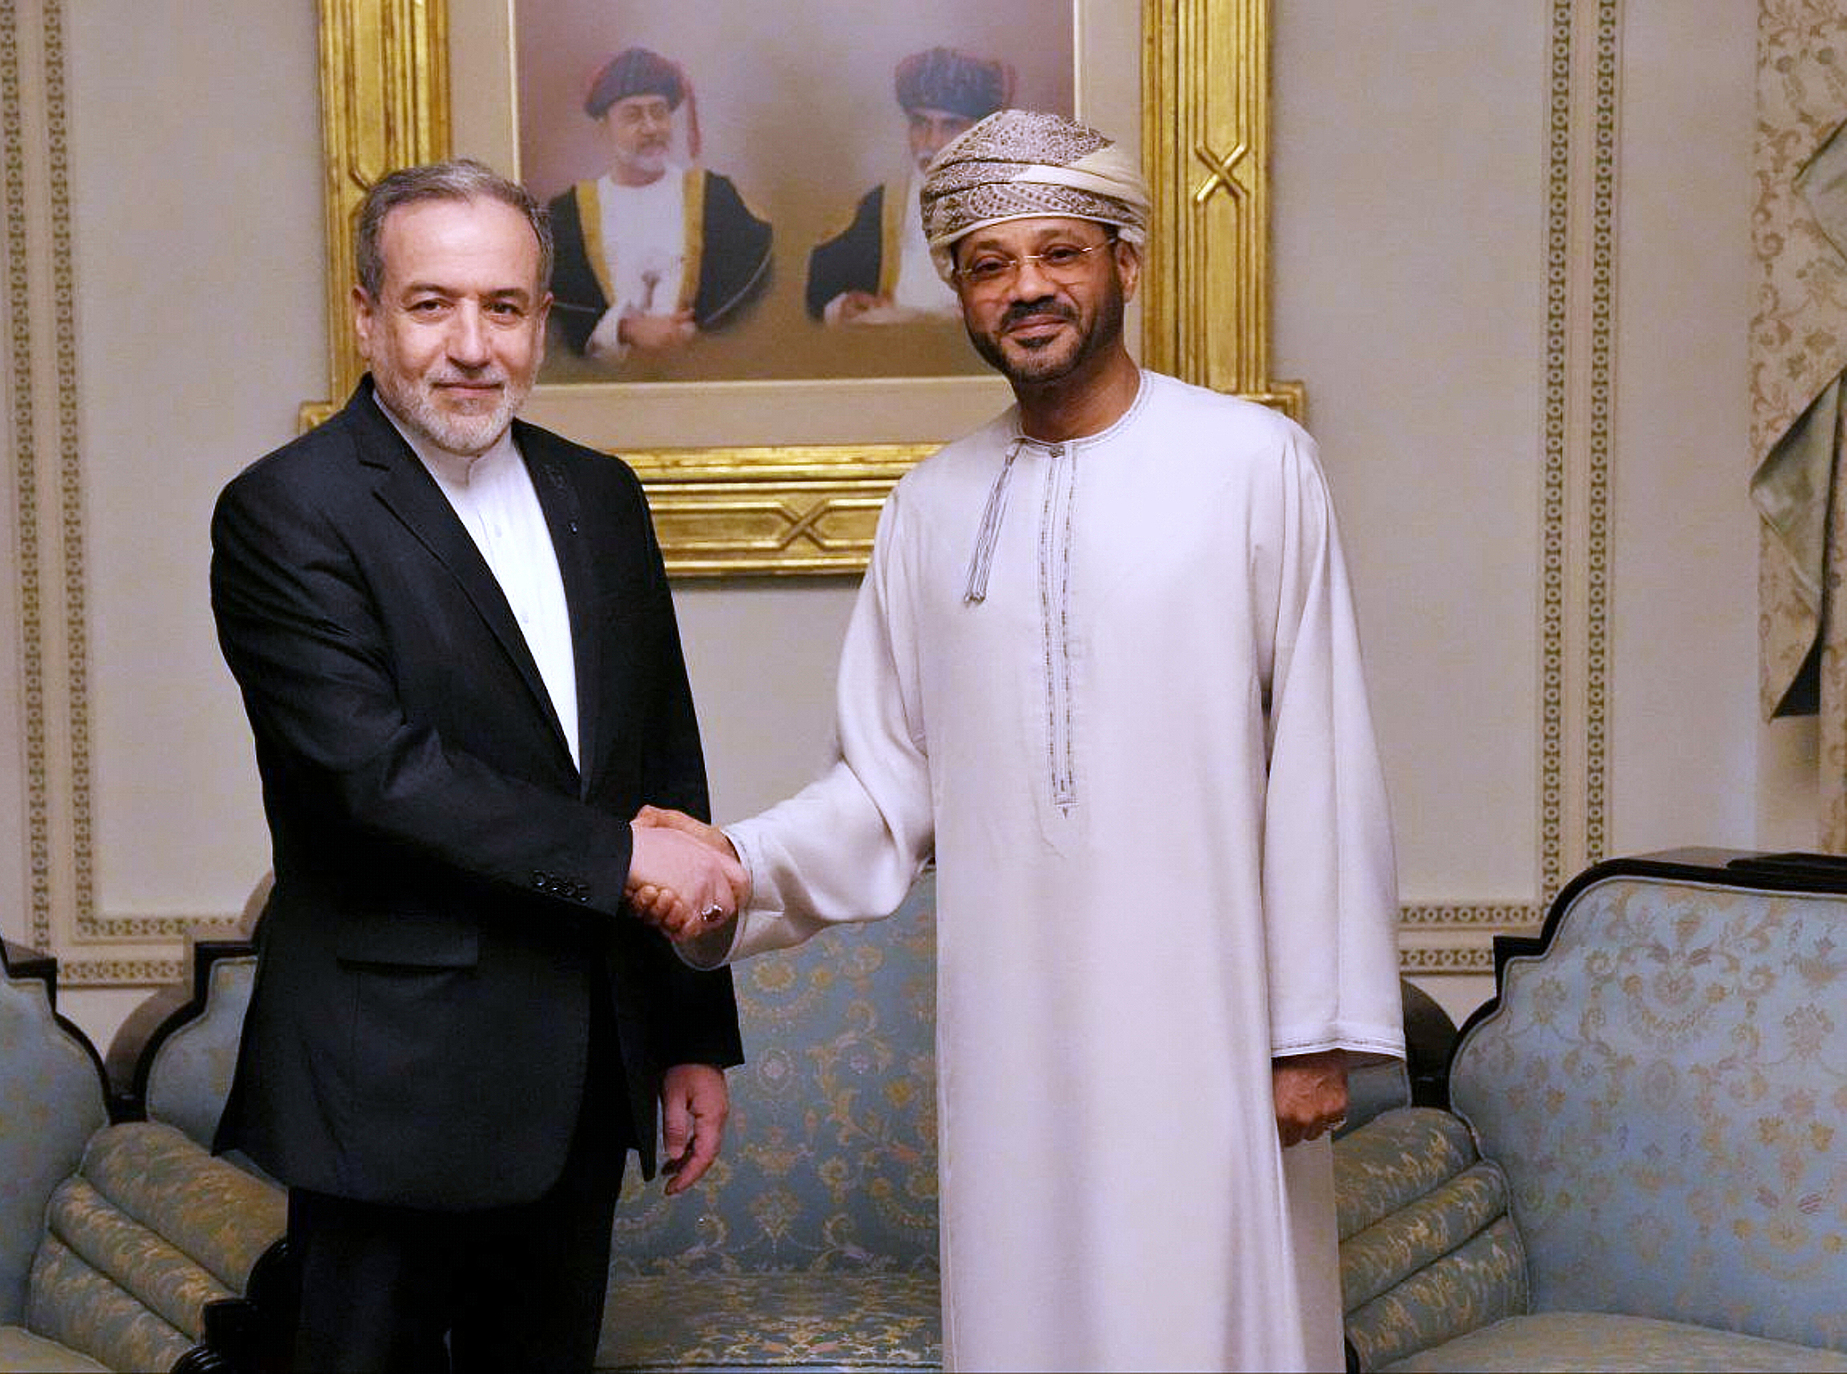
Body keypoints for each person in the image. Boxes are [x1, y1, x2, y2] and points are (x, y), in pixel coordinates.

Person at [636, 110, 1402, 1372]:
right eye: (989, 264)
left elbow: (1320, 757)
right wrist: (732, 864)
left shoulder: (1253, 465)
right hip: (1013, 1041)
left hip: (1211, 1025)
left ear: (1124, 264)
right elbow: (883, 792)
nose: (1026, 287)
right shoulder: (928, 507)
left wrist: (1311, 1033)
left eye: (1059, 253)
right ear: (958, 290)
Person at [209, 158, 747, 1374]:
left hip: (584, 1078)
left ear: (540, 321)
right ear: (365, 315)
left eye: (502, 308)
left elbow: (661, 762)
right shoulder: (285, 510)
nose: (470, 346)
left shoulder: (601, 495)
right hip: (388, 1082)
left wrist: (686, 1031)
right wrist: (623, 858)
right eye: (430, 304)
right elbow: (372, 774)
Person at [546, 48, 773, 361]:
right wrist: (624, 329)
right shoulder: (568, 215)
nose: (651, 128)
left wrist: (693, 334)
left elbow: (753, 293)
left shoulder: (717, 198)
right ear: (603, 127)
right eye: (633, 116)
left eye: (659, 112)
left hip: (702, 372)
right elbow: (555, 314)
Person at [805, 46, 1011, 326]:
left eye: (950, 126)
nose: (932, 142)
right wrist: (844, 307)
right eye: (921, 123)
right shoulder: (880, 205)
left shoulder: (1014, 208)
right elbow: (818, 292)